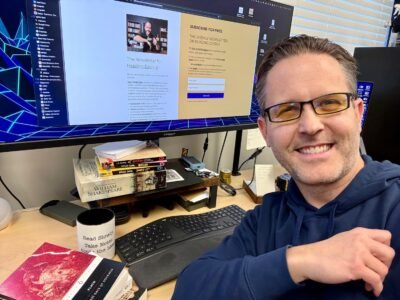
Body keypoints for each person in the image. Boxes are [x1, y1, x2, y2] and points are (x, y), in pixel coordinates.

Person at [172, 35, 400, 299]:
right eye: (286, 110)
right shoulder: (266, 220)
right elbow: (189, 290)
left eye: (329, 103)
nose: (311, 126)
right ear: (265, 131)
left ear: (358, 114)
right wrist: (301, 260)